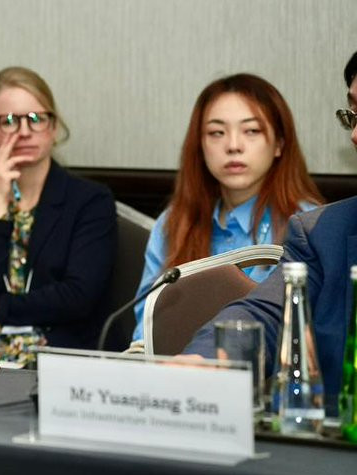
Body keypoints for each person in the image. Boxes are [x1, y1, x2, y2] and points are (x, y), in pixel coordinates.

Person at [184, 53, 357, 412]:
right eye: (353, 115)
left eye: (251, 131)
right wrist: (205, 361)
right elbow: (266, 314)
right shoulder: (323, 232)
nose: (354, 135)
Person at [0, 67, 116, 365]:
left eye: (36, 119)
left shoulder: (90, 202)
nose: (24, 131)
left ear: (54, 127)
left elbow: (78, 296)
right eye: (9, 121)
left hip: (53, 351)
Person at [131, 74, 321, 342]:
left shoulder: (308, 225)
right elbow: (146, 329)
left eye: (251, 131)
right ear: (200, 146)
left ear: (279, 143)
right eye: (216, 133)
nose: (233, 146)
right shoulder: (173, 223)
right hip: (177, 366)